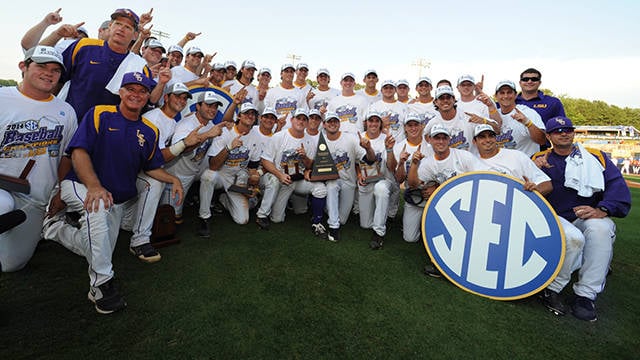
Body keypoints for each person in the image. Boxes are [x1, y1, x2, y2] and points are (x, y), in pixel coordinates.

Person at [42, 72, 184, 314]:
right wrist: (93, 185)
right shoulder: (100, 113)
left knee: (98, 246)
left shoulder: (149, 130)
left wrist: (173, 179)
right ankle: (101, 285)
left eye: (141, 91)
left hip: (114, 197)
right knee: (97, 210)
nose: (135, 94)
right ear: (121, 92)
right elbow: (77, 152)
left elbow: (151, 167)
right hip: (80, 184)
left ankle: (54, 228)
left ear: (148, 96)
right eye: (130, 88)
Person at [532, 116, 631, 322]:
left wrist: (603, 208)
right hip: (553, 220)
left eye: (567, 129)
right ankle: (553, 287)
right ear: (549, 136)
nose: (564, 133)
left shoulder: (596, 157)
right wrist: (536, 171)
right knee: (573, 238)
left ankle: (585, 295)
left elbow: (616, 187)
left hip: (582, 217)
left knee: (600, 228)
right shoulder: (539, 158)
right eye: (558, 131)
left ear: (573, 133)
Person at [0, 46, 77, 272]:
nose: (48, 73)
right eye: (41, 66)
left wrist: (62, 191)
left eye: (55, 69)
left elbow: (66, 156)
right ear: (23, 66)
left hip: (35, 196)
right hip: (2, 186)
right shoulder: (3, 98)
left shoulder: (66, 110)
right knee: (3, 205)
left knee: (12, 264)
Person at [121, 82, 198, 263]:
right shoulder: (154, 118)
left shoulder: (172, 120)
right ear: (166, 97)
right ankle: (140, 241)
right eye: (177, 95)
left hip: (138, 171)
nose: (182, 100)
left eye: (185, 97)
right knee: (155, 182)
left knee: (125, 221)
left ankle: (127, 221)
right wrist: (184, 143)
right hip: (127, 171)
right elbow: (154, 160)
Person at [41, 8, 165, 120]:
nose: (121, 29)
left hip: (107, 131)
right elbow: (58, 78)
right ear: (110, 26)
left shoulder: (139, 65)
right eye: (118, 24)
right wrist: (48, 108)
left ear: (135, 35)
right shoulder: (84, 46)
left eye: (128, 27)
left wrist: (162, 82)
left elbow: (150, 98)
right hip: (69, 122)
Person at [407, 124, 483, 274]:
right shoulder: (428, 162)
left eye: (443, 138)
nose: (440, 142)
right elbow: (414, 185)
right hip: (446, 206)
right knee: (418, 232)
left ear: (449, 139)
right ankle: (441, 261)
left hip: (470, 201)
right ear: (430, 140)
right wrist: (414, 165)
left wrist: (439, 188)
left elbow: (481, 179)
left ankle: (456, 262)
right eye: (437, 138)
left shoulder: (464, 156)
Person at [260, 109, 328, 237]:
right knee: (277, 219)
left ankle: (317, 222)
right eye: (298, 118)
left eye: (304, 119)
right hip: (281, 180)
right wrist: (279, 175)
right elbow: (265, 160)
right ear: (292, 120)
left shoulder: (309, 140)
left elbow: (310, 165)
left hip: (298, 180)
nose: (301, 121)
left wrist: (305, 158)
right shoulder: (279, 136)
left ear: (307, 123)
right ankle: (271, 203)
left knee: (320, 189)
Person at [162, 91, 226, 225]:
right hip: (178, 174)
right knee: (170, 218)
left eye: (215, 106)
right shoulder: (187, 124)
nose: (212, 109)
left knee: (213, 172)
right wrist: (207, 135)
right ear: (198, 106)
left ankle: (210, 203)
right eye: (208, 105)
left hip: (194, 170)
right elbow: (182, 150)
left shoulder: (209, 124)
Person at [198, 103, 261, 231]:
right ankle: (204, 217)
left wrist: (254, 184)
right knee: (208, 176)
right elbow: (213, 165)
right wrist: (229, 148)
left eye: (253, 113)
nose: (250, 116)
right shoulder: (225, 132)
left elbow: (253, 167)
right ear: (239, 116)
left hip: (238, 179)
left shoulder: (256, 137)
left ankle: (224, 199)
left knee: (242, 220)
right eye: (247, 113)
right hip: (220, 175)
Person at [324, 113, 376, 242]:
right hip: (331, 180)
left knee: (342, 219)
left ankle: (330, 211)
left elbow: (370, 160)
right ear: (324, 124)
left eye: (335, 121)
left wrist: (368, 148)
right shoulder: (321, 140)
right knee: (332, 186)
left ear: (339, 123)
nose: (332, 123)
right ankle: (333, 227)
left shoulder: (350, 139)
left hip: (348, 182)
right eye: (329, 121)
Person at [357, 111, 397, 249]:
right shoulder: (358, 137)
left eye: (377, 121)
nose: (373, 123)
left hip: (384, 179)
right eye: (370, 120)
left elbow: (392, 167)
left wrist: (389, 149)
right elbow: (355, 163)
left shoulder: (387, 137)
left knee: (381, 190)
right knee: (365, 224)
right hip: (366, 180)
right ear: (366, 123)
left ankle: (379, 232)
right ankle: (379, 214)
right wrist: (358, 175)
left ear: (380, 123)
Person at [424, 86, 499, 154]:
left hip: (469, 165)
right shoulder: (432, 123)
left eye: (448, 97)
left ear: (454, 100)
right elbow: (426, 141)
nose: (445, 100)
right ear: (436, 102)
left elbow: (497, 130)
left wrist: (484, 121)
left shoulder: (469, 117)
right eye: (441, 98)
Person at [394, 113, 431, 243]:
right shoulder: (399, 147)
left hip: (430, 194)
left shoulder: (431, 145)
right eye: (410, 125)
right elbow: (399, 180)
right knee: (410, 238)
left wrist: (434, 188)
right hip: (413, 195)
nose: (413, 128)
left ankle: (426, 222)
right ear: (405, 127)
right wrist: (401, 163)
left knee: (432, 233)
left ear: (422, 126)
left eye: (416, 125)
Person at [493, 80, 546, 157]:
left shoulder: (528, 112)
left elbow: (542, 140)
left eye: (509, 92)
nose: (506, 96)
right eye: (502, 93)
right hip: (500, 166)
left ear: (515, 95)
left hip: (525, 165)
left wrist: (528, 123)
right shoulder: (494, 115)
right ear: (496, 96)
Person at [263, 64, 308, 128]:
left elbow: (305, 114)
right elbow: (265, 113)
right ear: (281, 74)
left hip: (294, 132)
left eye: (291, 72)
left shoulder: (300, 93)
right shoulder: (271, 92)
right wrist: (276, 121)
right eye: (286, 71)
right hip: (274, 131)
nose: (289, 74)